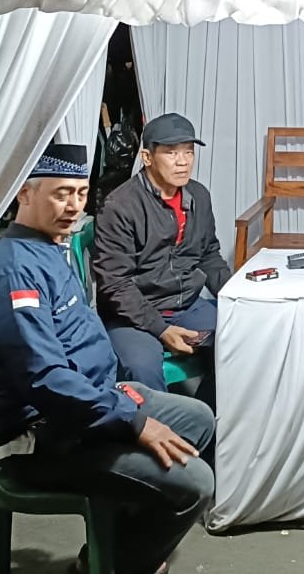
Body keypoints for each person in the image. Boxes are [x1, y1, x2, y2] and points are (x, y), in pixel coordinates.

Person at [0, 142, 214, 574]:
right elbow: (45, 378)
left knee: (198, 420)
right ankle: (116, 564)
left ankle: (113, 549)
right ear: (24, 193)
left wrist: (122, 405)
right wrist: (133, 421)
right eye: (61, 194)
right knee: (194, 482)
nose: (73, 206)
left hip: (94, 403)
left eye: (81, 194)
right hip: (56, 431)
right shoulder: (15, 270)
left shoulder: (48, 247)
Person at [94, 113, 231, 399]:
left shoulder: (198, 196)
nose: (183, 162)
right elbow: (115, 284)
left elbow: (209, 254)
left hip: (187, 305)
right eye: (171, 152)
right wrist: (161, 330)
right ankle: (162, 427)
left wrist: (236, 298)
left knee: (241, 342)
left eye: (188, 152)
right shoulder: (120, 205)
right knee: (141, 367)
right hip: (132, 314)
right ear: (147, 157)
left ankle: (203, 419)